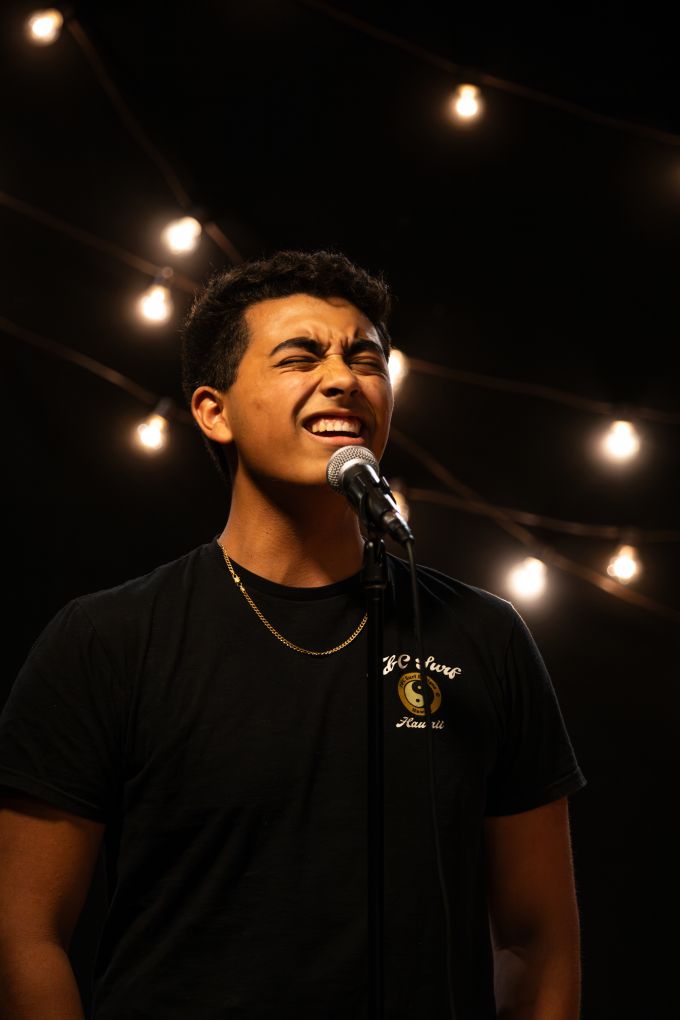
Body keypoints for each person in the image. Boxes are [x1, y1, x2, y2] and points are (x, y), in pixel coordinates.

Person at [0, 249, 587, 1020]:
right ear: (214, 410)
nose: (344, 378)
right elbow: (22, 931)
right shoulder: (108, 638)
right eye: (301, 356)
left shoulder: (484, 635)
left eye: (366, 358)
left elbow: (539, 939)